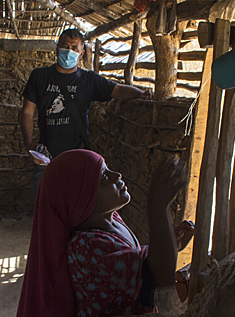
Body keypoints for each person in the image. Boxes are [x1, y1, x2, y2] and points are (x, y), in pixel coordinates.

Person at [16, 149, 194, 317]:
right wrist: (158, 207)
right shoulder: (86, 247)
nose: (116, 175)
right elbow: (158, 276)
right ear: (80, 198)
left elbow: (139, 258)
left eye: (108, 169)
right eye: (103, 177)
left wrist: (170, 242)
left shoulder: (112, 221)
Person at [20, 29, 154, 195]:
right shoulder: (39, 77)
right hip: (45, 157)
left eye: (74, 48)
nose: (69, 51)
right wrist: (28, 143)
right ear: (57, 48)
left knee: (76, 208)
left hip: (78, 157)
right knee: (44, 207)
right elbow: (27, 112)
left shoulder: (88, 80)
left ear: (81, 53)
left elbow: (118, 90)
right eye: (65, 46)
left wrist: (141, 93)